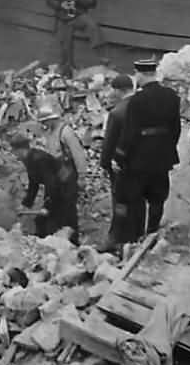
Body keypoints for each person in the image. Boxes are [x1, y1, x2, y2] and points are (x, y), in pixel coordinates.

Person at [119, 59, 182, 240]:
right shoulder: (172, 96)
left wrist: (121, 155)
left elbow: (130, 132)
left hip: (140, 157)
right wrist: (168, 149)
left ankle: (136, 235)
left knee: (137, 197)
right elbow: (176, 129)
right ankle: (152, 232)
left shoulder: (137, 100)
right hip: (163, 156)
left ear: (139, 74)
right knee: (158, 197)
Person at [33, 95, 90, 243]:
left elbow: (78, 155)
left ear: (52, 118)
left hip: (67, 177)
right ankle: (52, 239)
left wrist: (82, 177)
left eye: (45, 121)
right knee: (52, 209)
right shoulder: (50, 132)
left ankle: (72, 241)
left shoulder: (65, 132)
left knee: (68, 211)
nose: (44, 124)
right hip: (54, 178)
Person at [10, 134, 79, 240]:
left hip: (66, 186)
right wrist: (26, 204)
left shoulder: (39, 159)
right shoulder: (29, 160)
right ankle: (43, 242)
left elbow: (51, 183)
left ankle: (73, 244)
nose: (14, 155)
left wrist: (47, 206)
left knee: (65, 217)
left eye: (14, 151)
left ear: (21, 150)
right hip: (56, 187)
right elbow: (34, 184)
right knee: (41, 220)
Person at [45, 0, 103, 76]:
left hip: (78, 15)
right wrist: (60, 5)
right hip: (63, 18)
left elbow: (93, 2)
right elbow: (49, 0)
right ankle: (67, 72)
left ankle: (99, 53)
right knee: (65, 47)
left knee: (93, 26)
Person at [98, 73, 135, 252]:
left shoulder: (117, 112)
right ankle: (134, 237)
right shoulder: (145, 107)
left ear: (118, 90)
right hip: (141, 165)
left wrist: (105, 164)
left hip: (119, 166)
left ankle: (117, 238)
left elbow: (109, 142)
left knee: (119, 202)